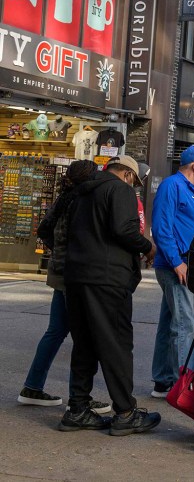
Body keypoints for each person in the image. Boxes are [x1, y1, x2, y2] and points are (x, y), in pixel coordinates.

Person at [60, 156, 159, 435]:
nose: (135, 187)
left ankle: (77, 409)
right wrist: (147, 246)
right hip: (107, 279)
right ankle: (126, 411)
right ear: (127, 174)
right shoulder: (119, 190)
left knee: (85, 344)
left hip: (77, 277)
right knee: (116, 343)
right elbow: (124, 230)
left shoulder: (81, 192)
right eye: (135, 181)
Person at [18, 160, 106, 410]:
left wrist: (57, 252)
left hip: (59, 273)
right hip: (76, 276)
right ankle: (79, 399)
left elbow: (44, 229)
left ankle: (32, 386)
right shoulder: (82, 202)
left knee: (56, 331)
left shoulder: (62, 200)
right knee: (82, 336)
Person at [150, 144, 194, 398]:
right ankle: (188, 384)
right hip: (176, 266)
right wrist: (177, 262)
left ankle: (164, 379)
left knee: (170, 323)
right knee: (185, 324)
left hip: (183, 264)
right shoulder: (172, 186)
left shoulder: (189, 188)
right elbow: (161, 227)